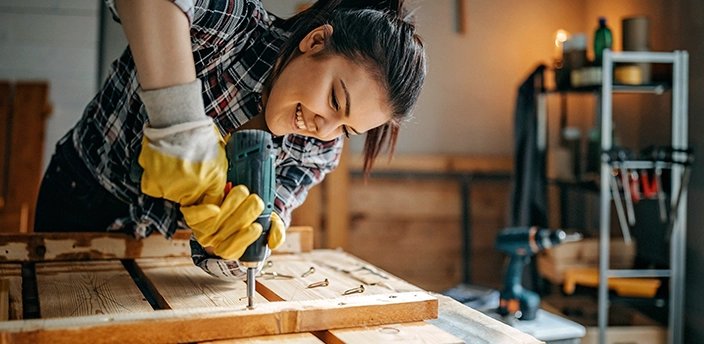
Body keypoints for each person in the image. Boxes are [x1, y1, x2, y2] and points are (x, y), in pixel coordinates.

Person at [34, 0, 426, 278]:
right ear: (315, 42)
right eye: (335, 100)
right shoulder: (235, 29)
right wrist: (180, 125)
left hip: (165, 249)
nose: (324, 130)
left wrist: (230, 248)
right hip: (82, 193)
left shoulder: (319, 152)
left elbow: (251, 237)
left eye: (346, 129)